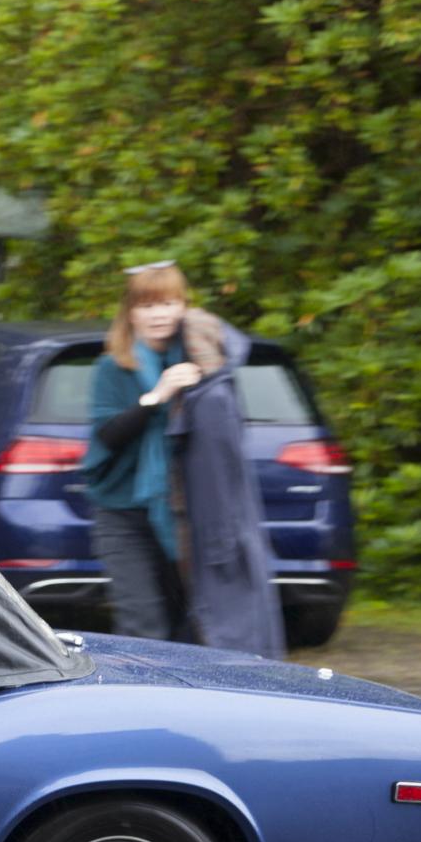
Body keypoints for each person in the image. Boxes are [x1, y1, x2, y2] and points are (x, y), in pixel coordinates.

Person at [80, 260, 284, 656]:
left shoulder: (203, 364)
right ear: (130, 313)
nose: (158, 315)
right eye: (146, 305)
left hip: (187, 517)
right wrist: (156, 396)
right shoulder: (114, 366)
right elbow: (106, 435)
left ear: (183, 307)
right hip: (123, 515)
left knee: (189, 625)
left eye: (168, 303)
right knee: (143, 626)